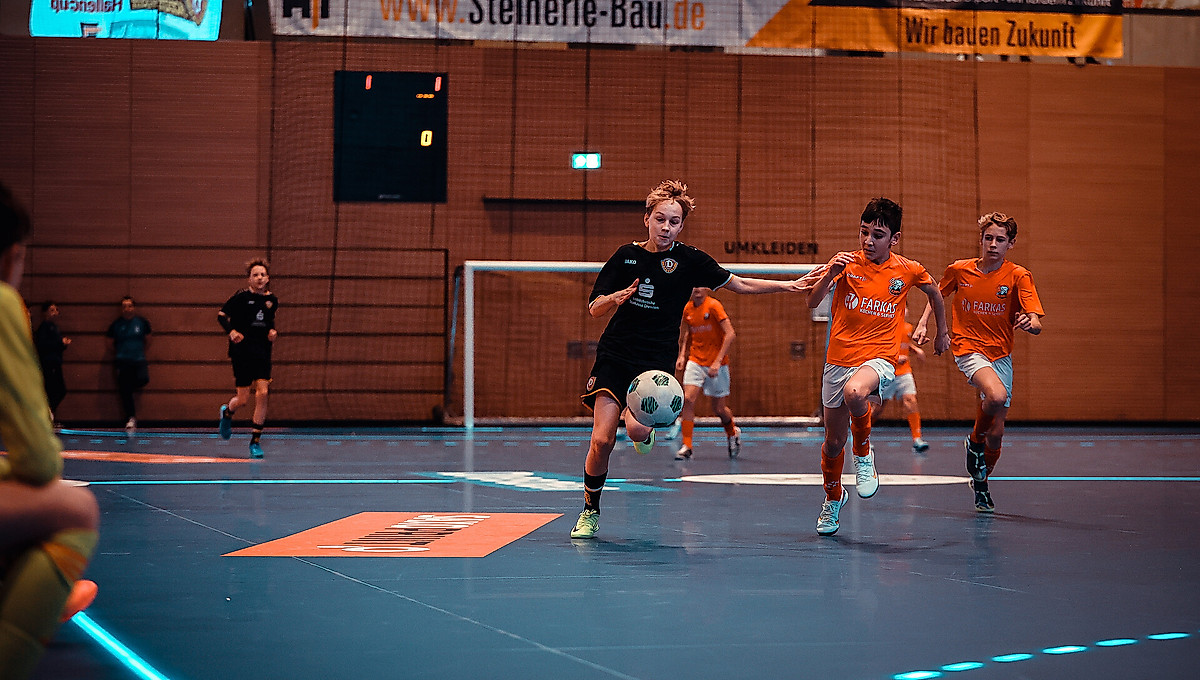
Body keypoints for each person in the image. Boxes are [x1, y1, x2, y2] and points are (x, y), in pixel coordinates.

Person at [570, 180, 825, 539]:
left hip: (654, 360)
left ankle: (639, 422)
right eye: (660, 219)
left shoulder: (690, 261)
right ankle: (590, 510)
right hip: (616, 353)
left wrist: (787, 285)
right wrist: (616, 297)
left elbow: (738, 283)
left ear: (681, 226)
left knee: (639, 430)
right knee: (602, 440)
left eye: (674, 222)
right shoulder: (625, 256)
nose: (666, 227)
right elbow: (594, 309)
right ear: (647, 218)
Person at [0, 183, 100, 680]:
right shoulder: (2, 303)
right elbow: (39, 459)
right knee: (73, 506)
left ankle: (39, 588)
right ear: (11, 256)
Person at [805, 197, 949, 537]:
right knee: (831, 444)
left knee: (857, 393)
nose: (869, 241)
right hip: (838, 360)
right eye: (864, 232)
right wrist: (830, 275)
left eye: (878, 235)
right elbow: (811, 300)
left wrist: (940, 330)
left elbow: (936, 293)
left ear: (894, 239)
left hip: (880, 359)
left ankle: (865, 452)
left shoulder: (907, 270)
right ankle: (833, 498)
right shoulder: (846, 264)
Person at [913, 211, 1044, 512]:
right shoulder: (960, 270)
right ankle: (973, 442)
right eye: (988, 238)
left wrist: (1029, 322)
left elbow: (1036, 321)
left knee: (996, 434)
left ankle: (981, 482)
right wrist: (924, 325)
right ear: (981, 240)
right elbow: (936, 294)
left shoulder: (1018, 276)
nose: (993, 244)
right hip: (968, 347)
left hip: (1001, 354)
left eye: (1000, 239)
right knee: (996, 395)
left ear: (1010, 244)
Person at [216, 258, 278, 459]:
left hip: (262, 353)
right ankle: (227, 413)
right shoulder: (240, 298)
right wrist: (231, 331)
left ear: (267, 278)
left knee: (262, 393)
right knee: (243, 399)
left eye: (262, 275)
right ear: (249, 279)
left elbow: (269, 323)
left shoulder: (272, 301)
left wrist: (272, 332)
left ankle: (255, 442)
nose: (259, 278)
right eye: (255, 275)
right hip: (242, 353)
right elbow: (221, 316)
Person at [673, 287, 741, 460]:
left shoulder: (713, 306)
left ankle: (732, 432)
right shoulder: (687, 308)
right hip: (695, 360)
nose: (696, 289)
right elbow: (689, 331)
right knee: (688, 399)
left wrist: (717, 361)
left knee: (719, 408)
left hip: (716, 364)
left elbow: (730, 333)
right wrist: (682, 354)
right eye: (693, 285)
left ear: (707, 289)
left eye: (700, 285)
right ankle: (687, 445)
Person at [873, 320, 930, 454]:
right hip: (887, 371)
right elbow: (876, 347)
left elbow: (904, 343)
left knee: (911, 399)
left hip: (904, 372)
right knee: (877, 408)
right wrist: (894, 358)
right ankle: (862, 438)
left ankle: (917, 439)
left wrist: (915, 350)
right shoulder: (884, 325)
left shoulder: (908, 327)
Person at [106, 296, 151, 432]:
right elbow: (109, 343)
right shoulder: (116, 325)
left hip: (138, 360)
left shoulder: (141, 323)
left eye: (129, 306)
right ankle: (131, 418)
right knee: (125, 392)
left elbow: (148, 340)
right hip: (122, 361)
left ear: (134, 308)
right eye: (124, 306)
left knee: (143, 379)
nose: (127, 309)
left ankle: (130, 385)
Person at [33, 301, 70, 425]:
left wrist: (63, 344)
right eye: (52, 310)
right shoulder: (43, 328)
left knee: (58, 390)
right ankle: (47, 415)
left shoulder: (55, 327)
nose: (55, 313)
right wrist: (60, 343)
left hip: (55, 362)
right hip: (48, 364)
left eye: (56, 310)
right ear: (45, 313)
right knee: (54, 390)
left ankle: (49, 414)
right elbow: (43, 346)